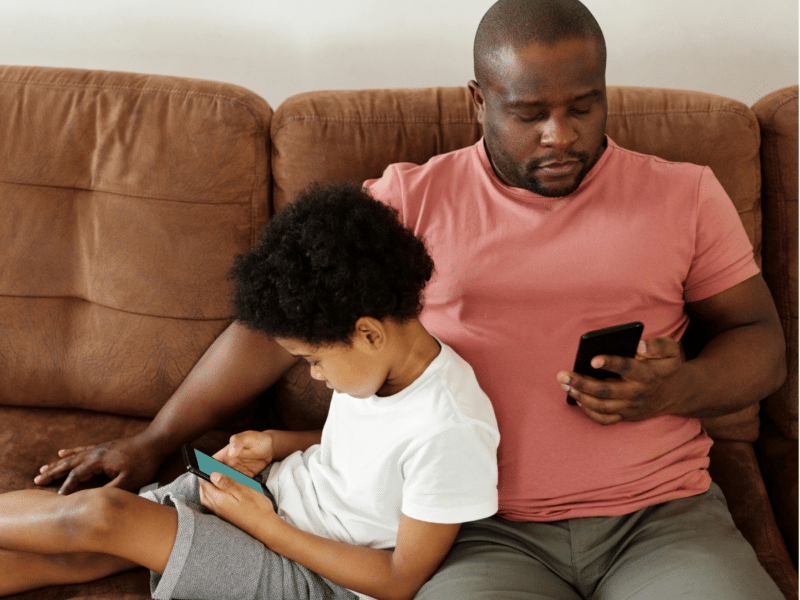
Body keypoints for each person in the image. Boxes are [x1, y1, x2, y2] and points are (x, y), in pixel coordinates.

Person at [35, 0, 787, 598]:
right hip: (474, 531)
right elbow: (276, 329)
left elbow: (761, 341)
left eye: (585, 108)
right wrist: (156, 438)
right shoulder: (412, 198)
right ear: (478, 100)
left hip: (659, 517)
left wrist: (682, 385)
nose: (561, 135)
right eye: (530, 114)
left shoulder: (683, 194)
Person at [1, 183, 500, 600]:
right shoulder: (377, 365)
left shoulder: (451, 427)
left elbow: (400, 580)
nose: (314, 375)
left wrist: (264, 525)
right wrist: (275, 443)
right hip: (271, 502)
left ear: (368, 332)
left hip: (313, 575)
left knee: (104, 516)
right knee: (79, 551)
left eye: (313, 360)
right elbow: (370, 456)